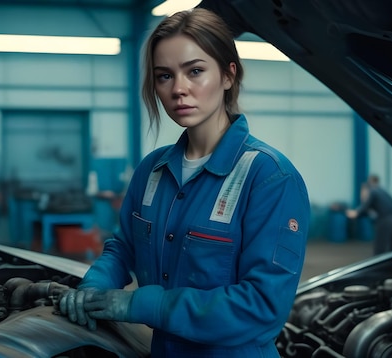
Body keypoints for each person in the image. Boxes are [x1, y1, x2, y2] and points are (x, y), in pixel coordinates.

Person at [59, 8, 310, 358]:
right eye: (164, 76)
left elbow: (261, 306)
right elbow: (124, 248)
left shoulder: (270, 179)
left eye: (195, 71)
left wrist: (145, 306)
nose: (179, 89)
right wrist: (94, 289)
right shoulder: (152, 170)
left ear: (227, 75)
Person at [346, 174, 392, 254]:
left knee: (380, 248)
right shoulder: (383, 191)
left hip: (386, 220)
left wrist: (356, 213)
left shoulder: (373, 191)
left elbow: (365, 207)